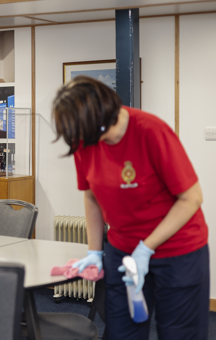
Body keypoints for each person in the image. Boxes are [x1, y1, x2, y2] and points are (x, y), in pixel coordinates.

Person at [52, 75, 209, 340]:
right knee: (122, 332)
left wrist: (147, 248)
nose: (92, 145)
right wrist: (94, 251)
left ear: (106, 117)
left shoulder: (151, 131)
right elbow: (91, 197)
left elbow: (191, 199)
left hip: (178, 252)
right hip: (122, 251)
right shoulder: (85, 139)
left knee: (179, 333)